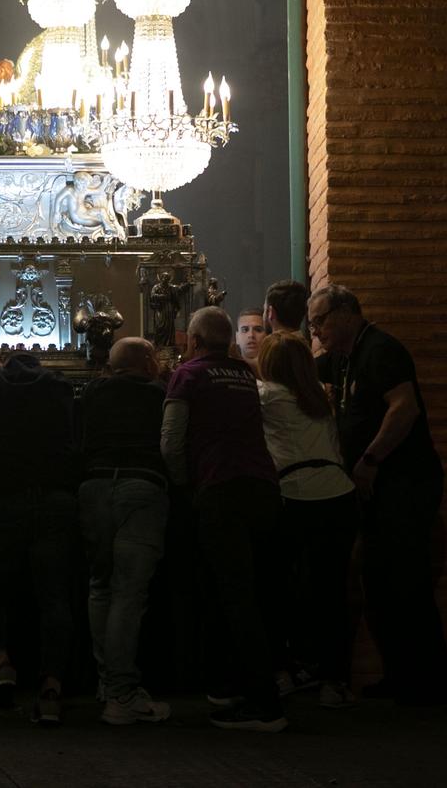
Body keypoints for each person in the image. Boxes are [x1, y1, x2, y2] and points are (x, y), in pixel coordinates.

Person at [308, 285, 447, 705]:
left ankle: (436, 685)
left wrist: (370, 460)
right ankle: (403, 677)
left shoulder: (380, 349)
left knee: (407, 582)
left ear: (346, 313)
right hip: (376, 489)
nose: (316, 329)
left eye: (320, 319)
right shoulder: (344, 359)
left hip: (403, 484)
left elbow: (404, 408)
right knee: (378, 583)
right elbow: (294, 370)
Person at [163, 306, 287, 732]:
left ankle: (263, 704)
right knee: (258, 594)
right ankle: (241, 685)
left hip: (221, 490)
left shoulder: (189, 375)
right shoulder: (244, 376)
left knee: (233, 596)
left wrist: (186, 486)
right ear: (228, 340)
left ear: (195, 342)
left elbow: (170, 440)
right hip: (264, 489)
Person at [0, 345, 79, 725]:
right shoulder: (58, 386)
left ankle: (2, 663)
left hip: (2, 501)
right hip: (53, 500)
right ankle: (51, 686)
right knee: (54, 597)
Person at [257, 331, 360, 709]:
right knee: (332, 593)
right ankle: (335, 681)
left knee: (276, 590)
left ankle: (282, 671)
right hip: (338, 495)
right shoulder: (320, 395)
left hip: (295, 495)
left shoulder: (265, 396)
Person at [78, 337, 173, 726]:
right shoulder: (158, 394)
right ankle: (121, 693)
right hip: (141, 485)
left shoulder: (91, 392)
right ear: (148, 361)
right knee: (128, 594)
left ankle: (106, 681)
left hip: (94, 487)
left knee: (100, 586)